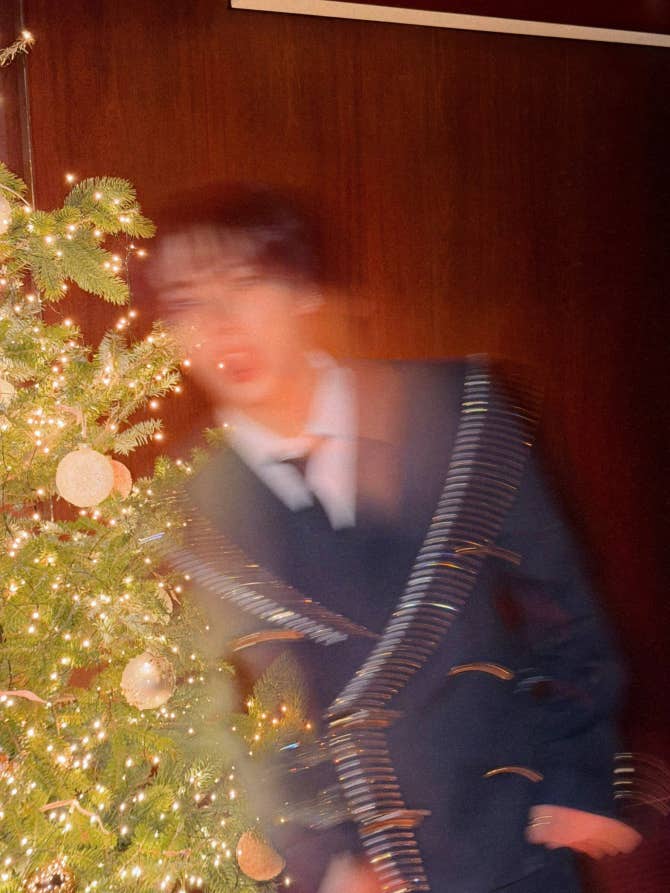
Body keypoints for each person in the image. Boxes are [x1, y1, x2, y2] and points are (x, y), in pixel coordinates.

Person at [146, 184, 641, 892]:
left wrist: (579, 775)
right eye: (188, 303)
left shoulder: (459, 413)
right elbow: (223, 715)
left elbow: (563, 607)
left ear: (305, 292)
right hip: (357, 869)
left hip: (510, 837)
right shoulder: (189, 511)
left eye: (245, 285)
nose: (221, 326)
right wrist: (318, 857)